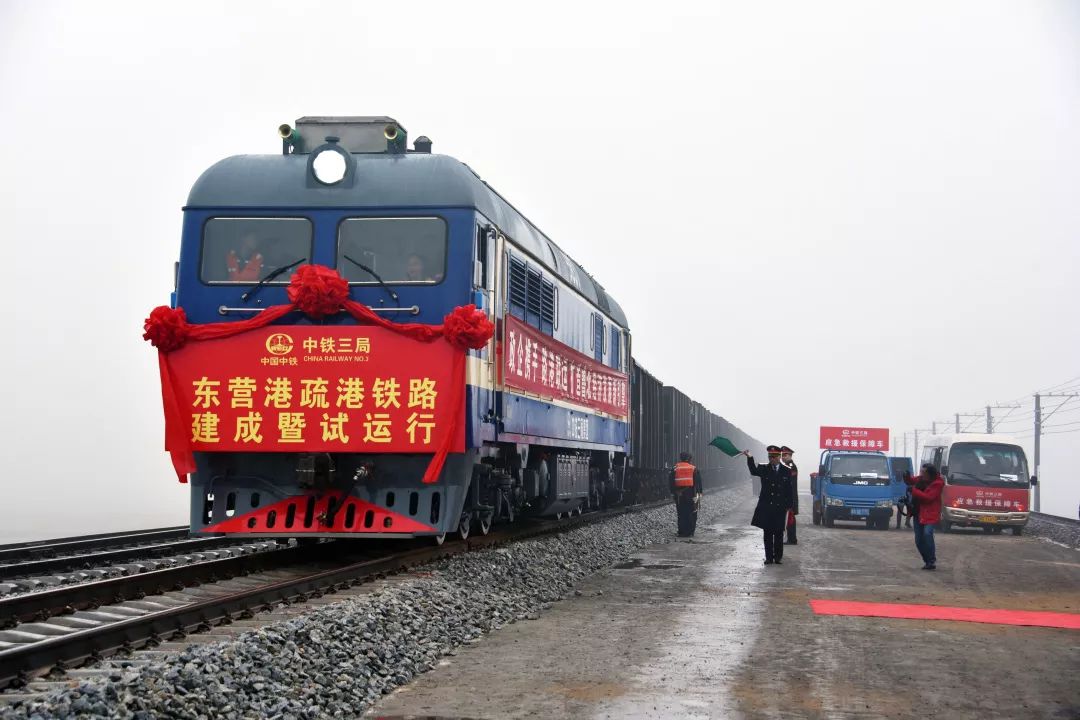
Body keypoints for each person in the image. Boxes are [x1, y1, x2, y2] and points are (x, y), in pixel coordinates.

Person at [744, 445, 794, 565]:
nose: (771, 459)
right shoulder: (764, 468)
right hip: (766, 506)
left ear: (778, 457)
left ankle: (778, 557)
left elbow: (789, 490)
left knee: (778, 533)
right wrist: (750, 458)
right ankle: (768, 558)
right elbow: (753, 471)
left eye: (774, 457)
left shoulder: (786, 471)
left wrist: (789, 505)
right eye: (770, 456)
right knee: (767, 533)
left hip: (780, 507)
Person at [904, 463, 945, 570]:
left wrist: (913, 490)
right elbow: (911, 481)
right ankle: (927, 561)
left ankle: (931, 559)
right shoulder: (922, 479)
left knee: (927, 534)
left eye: (923, 472)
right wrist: (906, 477)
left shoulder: (938, 483)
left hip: (930, 514)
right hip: (918, 512)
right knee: (918, 540)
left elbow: (928, 497)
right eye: (921, 472)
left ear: (930, 474)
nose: (921, 474)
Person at [669, 452, 703, 538]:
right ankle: (690, 532)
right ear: (689, 459)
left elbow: (671, 482)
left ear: (681, 458)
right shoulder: (694, 468)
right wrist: (700, 494)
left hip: (679, 495)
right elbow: (698, 483)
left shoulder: (675, 468)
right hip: (692, 494)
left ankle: (682, 532)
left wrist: (673, 493)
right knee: (692, 512)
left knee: (681, 513)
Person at [781, 445, 799, 544]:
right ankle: (791, 538)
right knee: (788, 518)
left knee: (790, 518)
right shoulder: (787, 466)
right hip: (788, 496)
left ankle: (792, 539)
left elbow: (790, 483)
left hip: (790, 496)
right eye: (782, 455)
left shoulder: (791, 466)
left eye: (785, 455)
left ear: (790, 455)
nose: (783, 457)